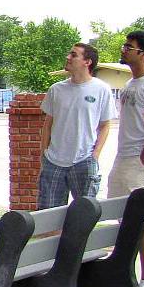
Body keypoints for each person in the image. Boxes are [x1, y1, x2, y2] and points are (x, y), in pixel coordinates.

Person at [37, 43, 116, 209]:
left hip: (84, 161)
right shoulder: (56, 89)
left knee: (83, 216)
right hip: (53, 161)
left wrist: (95, 155)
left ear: (87, 62)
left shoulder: (102, 89)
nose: (68, 57)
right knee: (47, 218)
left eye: (73, 55)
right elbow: (47, 124)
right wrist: (44, 153)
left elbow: (105, 126)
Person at [111, 30, 144, 287]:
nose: (124, 50)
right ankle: (127, 275)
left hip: (139, 162)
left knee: (142, 220)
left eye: (130, 47)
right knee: (122, 217)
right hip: (122, 158)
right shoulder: (129, 85)